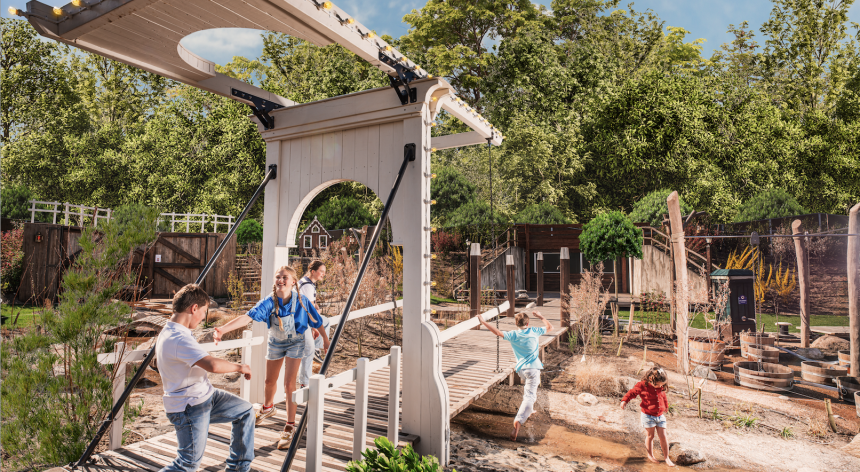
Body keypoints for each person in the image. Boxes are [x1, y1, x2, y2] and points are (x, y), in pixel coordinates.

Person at [214, 266, 329, 449]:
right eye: (278, 277)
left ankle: (290, 425)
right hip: (275, 342)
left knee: (288, 384)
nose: (280, 280)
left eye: (285, 277)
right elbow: (247, 318)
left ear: (293, 282)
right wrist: (222, 329)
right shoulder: (269, 301)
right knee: (269, 381)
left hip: (295, 343)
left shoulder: (302, 300)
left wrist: (325, 338)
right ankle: (268, 407)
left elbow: (317, 321)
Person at [155, 284, 254, 472]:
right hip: (189, 407)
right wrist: (240, 367)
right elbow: (213, 365)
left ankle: (238, 468)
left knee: (245, 411)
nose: (203, 317)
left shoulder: (175, 331)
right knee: (187, 464)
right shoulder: (177, 338)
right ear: (194, 308)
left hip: (206, 396)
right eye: (204, 311)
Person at [478, 309, 552, 441]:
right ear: (527, 323)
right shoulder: (534, 331)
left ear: (516, 324)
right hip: (533, 369)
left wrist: (483, 322)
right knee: (530, 396)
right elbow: (549, 327)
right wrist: (541, 316)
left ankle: (528, 410)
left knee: (529, 394)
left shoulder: (513, 335)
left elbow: (497, 332)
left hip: (521, 370)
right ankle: (518, 422)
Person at [620, 366, 675, 467]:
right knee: (650, 436)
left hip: (660, 416)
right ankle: (650, 455)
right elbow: (632, 393)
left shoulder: (660, 386)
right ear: (651, 379)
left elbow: (663, 396)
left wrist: (666, 406)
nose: (660, 387)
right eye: (658, 385)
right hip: (648, 416)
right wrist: (624, 400)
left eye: (661, 385)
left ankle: (666, 457)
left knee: (663, 436)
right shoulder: (642, 385)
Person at [298, 260, 329, 387]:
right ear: (313, 271)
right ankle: (304, 383)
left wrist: (316, 305)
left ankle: (317, 348)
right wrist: (313, 327)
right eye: (321, 271)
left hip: (303, 317)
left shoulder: (307, 282)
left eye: (324, 272)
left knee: (326, 321)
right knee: (308, 350)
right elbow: (309, 310)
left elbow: (311, 302)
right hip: (301, 320)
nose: (323, 274)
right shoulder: (307, 285)